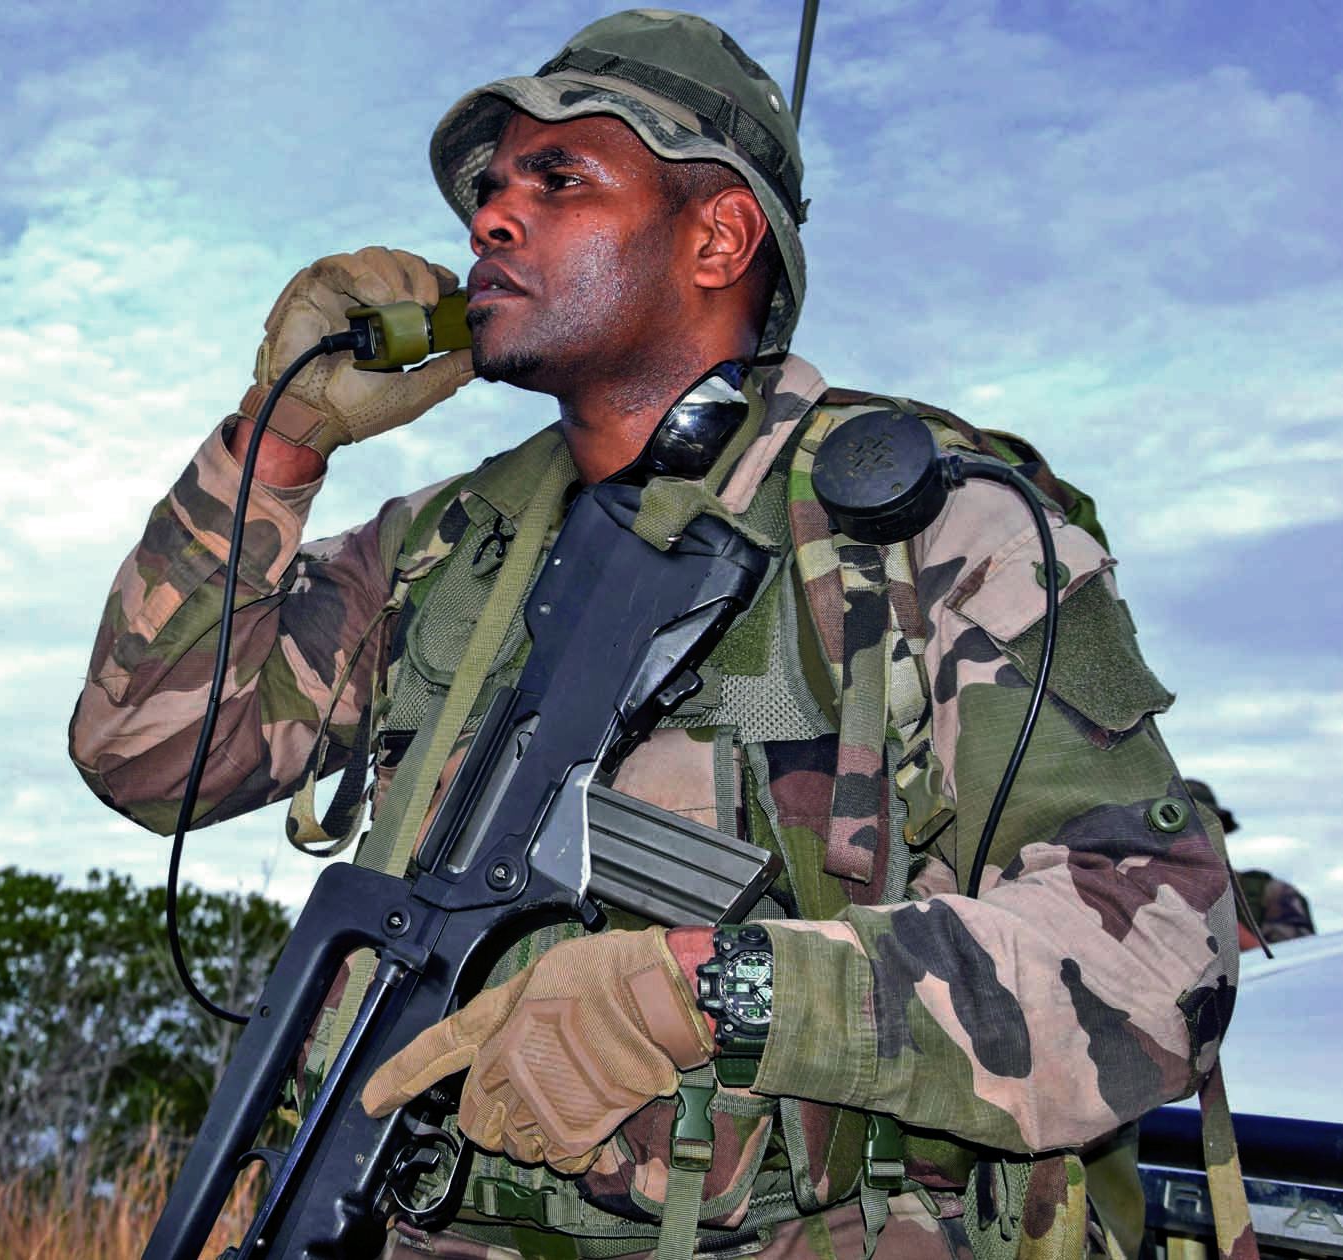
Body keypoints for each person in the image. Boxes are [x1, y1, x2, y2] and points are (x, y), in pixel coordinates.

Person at [71, 12, 1239, 1258]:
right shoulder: (442, 547)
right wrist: (282, 437)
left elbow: (1161, 947)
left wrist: (715, 990)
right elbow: (147, 749)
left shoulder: (925, 524)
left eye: (557, 177)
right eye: (490, 186)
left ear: (720, 235)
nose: (490, 219)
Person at [1185, 779, 1318, 948]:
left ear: (1222, 830)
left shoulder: (1270, 894)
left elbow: (1294, 965)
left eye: (1202, 824)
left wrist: (1218, 919)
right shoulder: (1145, 896)